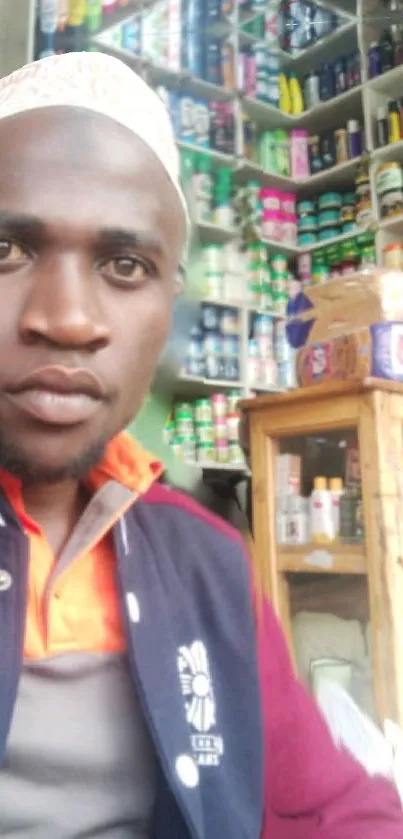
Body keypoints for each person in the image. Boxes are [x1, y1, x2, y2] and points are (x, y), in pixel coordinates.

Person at [0, 52, 400, 839]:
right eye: (4, 250)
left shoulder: (209, 563)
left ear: (167, 303)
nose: (67, 318)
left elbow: (326, 806)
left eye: (125, 263)